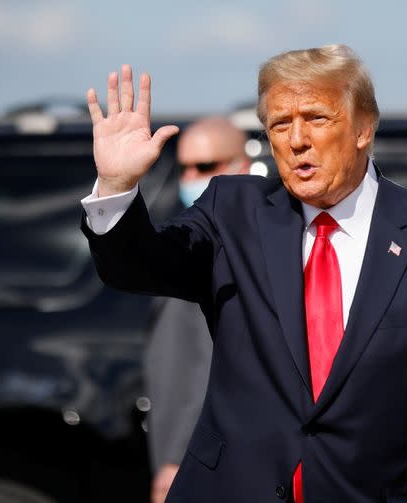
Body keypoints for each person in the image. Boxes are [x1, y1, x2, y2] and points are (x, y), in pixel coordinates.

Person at [80, 45, 407, 502]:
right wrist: (118, 187)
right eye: (280, 124)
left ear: (365, 127)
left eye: (316, 118)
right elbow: (139, 265)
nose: (296, 139)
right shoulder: (233, 212)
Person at [145, 116, 251, 503]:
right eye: (184, 167)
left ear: (241, 165)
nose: (190, 177)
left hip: (206, 461)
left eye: (205, 167)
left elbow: (206, 369)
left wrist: (178, 458)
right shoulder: (190, 237)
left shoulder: (236, 247)